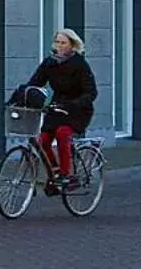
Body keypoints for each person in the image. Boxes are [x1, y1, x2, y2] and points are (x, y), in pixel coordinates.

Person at [12, 28, 98, 193]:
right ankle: (55, 173)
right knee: (42, 141)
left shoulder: (80, 64)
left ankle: (67, 175)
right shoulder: (50, 63)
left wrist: (75, 103)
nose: (59, 46)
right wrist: (19, 98)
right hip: (57, 107)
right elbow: (35, 83)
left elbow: (91, 92)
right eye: (57, 42)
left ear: (72, 45)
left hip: (78, 110)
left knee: (62, 134)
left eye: (63, 43)